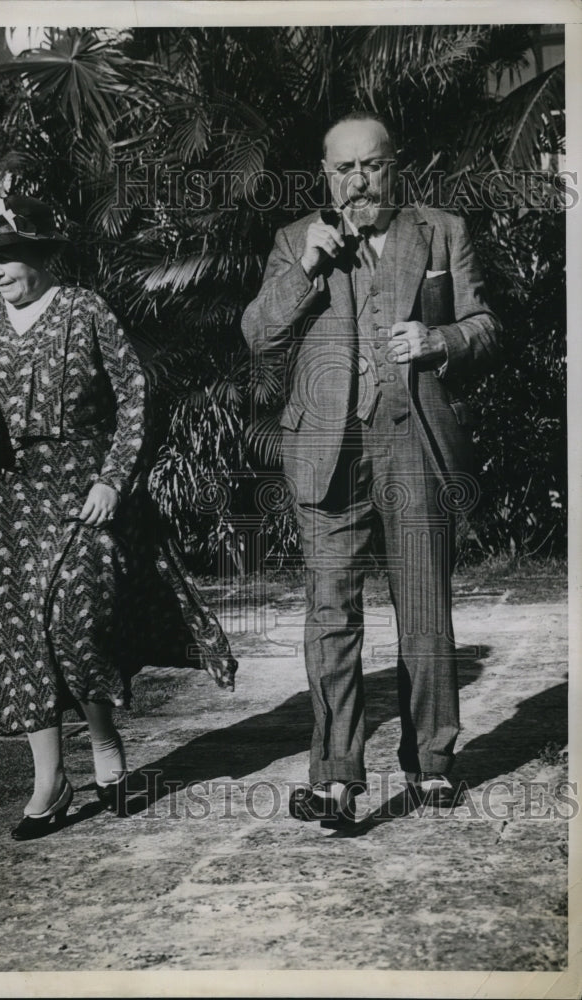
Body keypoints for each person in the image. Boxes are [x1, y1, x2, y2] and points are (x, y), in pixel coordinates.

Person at [0, 194, 237, 839]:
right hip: (3, 506)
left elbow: (135, 400)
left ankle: (105, 739)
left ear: (39, 257)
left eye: (7, 257)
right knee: (22, 638)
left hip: (79, 495)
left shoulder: (85, 310)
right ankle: (50, 782)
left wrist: (114, 480)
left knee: (74, 621)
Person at [242, 112, 501, 825]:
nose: (359, 181)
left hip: (410, 440)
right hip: (325, 451)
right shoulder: (296, 241)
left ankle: (433, 765)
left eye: (371, 166)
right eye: (343, 169)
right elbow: (257, 333)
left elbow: (484, 325)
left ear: (395, 166)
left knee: (422, 611)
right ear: (325, 175)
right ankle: (335, 777)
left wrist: (436, 337)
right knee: (330, 615)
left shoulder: (439, 230)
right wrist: (305, 270)